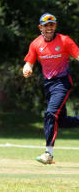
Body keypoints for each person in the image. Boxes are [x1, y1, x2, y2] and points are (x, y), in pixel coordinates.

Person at [23, 13, 79, 164]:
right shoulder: (36, 44)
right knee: (62, 121)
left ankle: (48, 153)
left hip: (62, 82)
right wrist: (26, 69)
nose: (49, 28)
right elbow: (29, 61)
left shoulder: (65, 40)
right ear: (40, 27)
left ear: (55, 26)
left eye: (52, 25)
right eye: (46, 25)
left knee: (51, 113)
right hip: (48, 85)